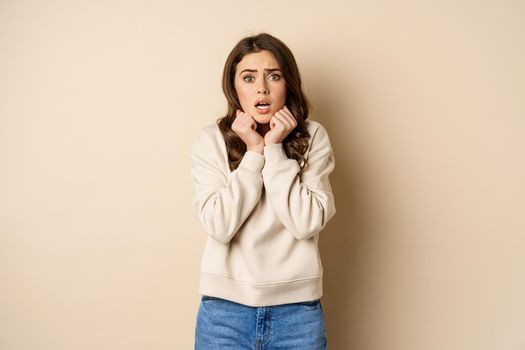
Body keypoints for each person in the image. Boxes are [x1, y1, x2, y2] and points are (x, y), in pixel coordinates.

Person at [190, 32, 336, 349]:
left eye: (274, 76)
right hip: (224, 314)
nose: (262, 88)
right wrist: (253, 154)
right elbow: (219, 226)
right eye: (249, 77)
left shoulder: (313, 137)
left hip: (298, 314)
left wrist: (274, 149)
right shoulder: (211, 140)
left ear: (289, 84)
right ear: (234, 88)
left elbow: (305, 222)